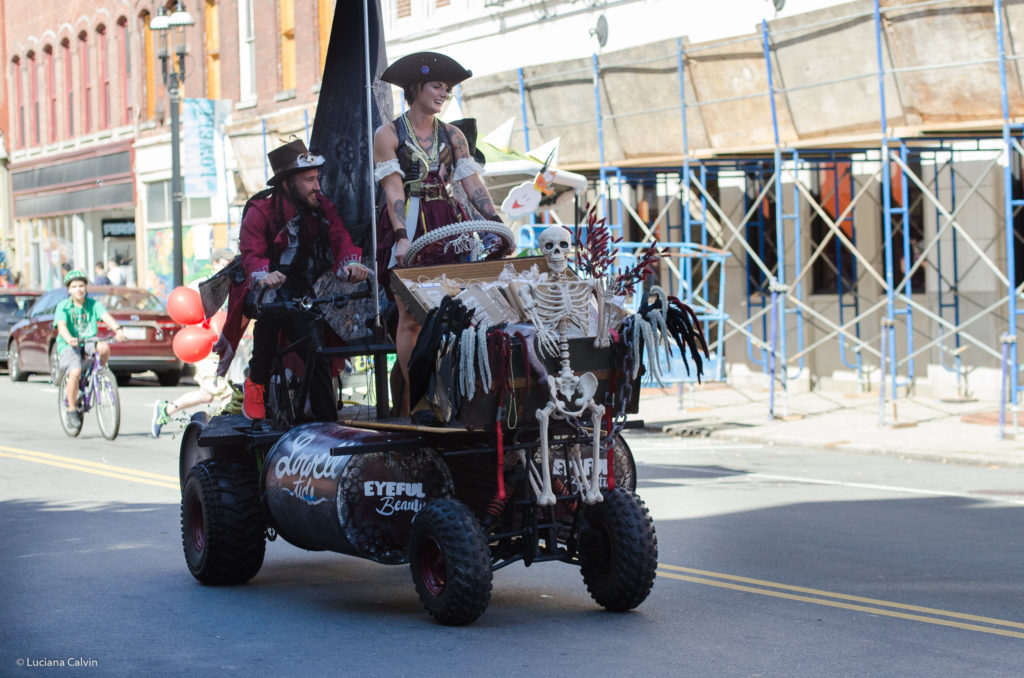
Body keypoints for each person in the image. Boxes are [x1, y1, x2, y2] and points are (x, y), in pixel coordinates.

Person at [373, 51, 509, 415]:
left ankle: (460, 393)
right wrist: (402, 236)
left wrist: (496, 223)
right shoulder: (388, 134)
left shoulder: (453, 135)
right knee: (410, 315)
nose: (444, 93)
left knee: (462, 310)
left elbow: (472, 183)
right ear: (416, 87)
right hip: (411, 221)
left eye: (447, 89)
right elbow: (393, 191)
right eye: (437, 86)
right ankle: (419, 398)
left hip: (450, 222)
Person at [226, 139, 369, 422]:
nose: (317, 186)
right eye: (309, 180)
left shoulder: (321, 206)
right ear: (288, 184)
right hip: (259, 285)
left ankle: (327, 422)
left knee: (316, 350)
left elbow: (340, 238)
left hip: (301, 287)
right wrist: (264, 275)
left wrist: (351, 262)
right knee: (273, 313)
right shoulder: (260, 211)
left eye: (317, 178)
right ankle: (256, 382)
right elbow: (250, 254)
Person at [150, 248, 237, 437]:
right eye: (223, 264)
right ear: (214, 264)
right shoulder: (200, 285)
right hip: (204, 344)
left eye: (230, 265)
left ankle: (166, 409)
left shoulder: (233, 286)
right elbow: (186, 311)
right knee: (224, 391)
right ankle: (226, 434)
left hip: (225, 344)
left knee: (206, 394)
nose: (227, 269)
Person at [54, 269, 127, 427]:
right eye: (74, 286)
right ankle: (72, 409)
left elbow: (106, 317)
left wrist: (118, 330)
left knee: (104, 347)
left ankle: (100, 372)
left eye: (81, 286)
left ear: (86, 287)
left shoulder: (93, 304)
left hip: (88, 340)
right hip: (69, 343)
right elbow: (62, 326)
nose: (78, 289)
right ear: (69, 290)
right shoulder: (63, 306)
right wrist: (68, 338)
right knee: (75, 371)